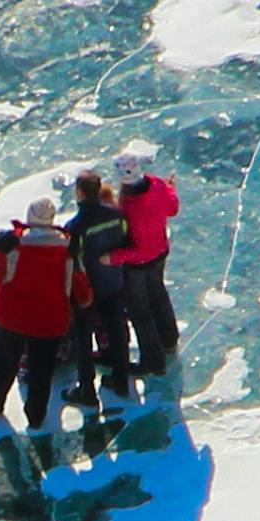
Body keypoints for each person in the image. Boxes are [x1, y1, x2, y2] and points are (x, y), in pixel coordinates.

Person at [0, 187, 83, 430]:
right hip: (50, 322)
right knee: (41, 372)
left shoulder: (11, 244)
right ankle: (36, 417)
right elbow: (78, 285)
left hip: (12, 318)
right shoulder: (67, 249)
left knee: (2, 361)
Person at [104, 142, 183, 387]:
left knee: (140, 311)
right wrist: (170, 188)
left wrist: (112, 257)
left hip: (138, 264)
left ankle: (153, 362)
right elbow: (172, 209)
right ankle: (169, 340)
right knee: (159, 295)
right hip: (160, 253)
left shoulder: (128, 206)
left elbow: (136, 249)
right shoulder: (157, 184)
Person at [64, 169, 135, 414]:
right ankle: (122, 380)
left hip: (88, 289)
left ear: (80, 192)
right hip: (113, 282)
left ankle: (87, 391)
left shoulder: (75, 226)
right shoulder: (117, 216)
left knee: (84, 339)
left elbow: (71, 259)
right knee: (117, 330)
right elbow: (125, 240)